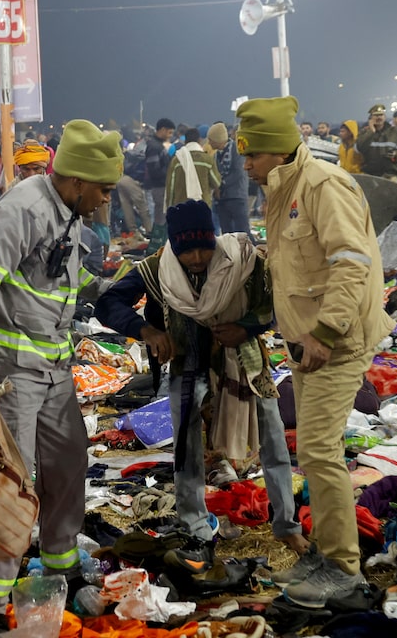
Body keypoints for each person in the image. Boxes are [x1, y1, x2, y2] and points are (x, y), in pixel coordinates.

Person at [0, 120, 121, 636]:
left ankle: (61, 561)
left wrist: (124, 278)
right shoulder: (23, 208)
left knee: (69, 463)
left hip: (55, 370)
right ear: (76, 181)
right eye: (104, 190)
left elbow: (58, 283)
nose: (106, 200)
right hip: (11, 379)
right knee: (11, 487)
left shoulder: (68, 213)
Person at [237, 96, 394, 608]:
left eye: (252, 155)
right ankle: (324, 554)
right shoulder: (284, 189)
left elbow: (353, 264)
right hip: (307, 341)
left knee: (321, 453)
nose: (246, 165)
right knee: (312, 450)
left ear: (278, 152)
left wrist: (326, 333)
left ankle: (343, 571)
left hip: (337, 340)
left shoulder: (324, 186)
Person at [95, 200, 305, 570]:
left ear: (214, 239)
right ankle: (194, 526)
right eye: (186, 249)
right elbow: (108, 303)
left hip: (245, 364)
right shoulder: (159, 268)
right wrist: (147, 331)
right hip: (188, 367)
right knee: (187, 450)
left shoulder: (242, 259)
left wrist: (247, 328)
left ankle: (286, 524)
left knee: (272, 437)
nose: (195, 257)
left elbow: (277, 302)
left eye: (202, 247)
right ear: (173, 246)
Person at [207, 122, 250, 235]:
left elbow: (239, 172)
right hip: (222, 199)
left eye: (210, 139)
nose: (208, 142)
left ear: (217, 140)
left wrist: (220, 185)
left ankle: (249, 252)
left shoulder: (236, 149)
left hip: (237, 197)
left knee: (243, 232)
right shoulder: (217, 154)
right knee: (227, 234)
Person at [165, 127, 220, 208]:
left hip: (181, 207)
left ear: (185, 141)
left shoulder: (177, 160)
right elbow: (216, 182)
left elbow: (171, 186)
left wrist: (169, 207)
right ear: (199, 140)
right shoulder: (207, 160)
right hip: (203, 207)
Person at [144, 118, 176, 250]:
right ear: (162, 130)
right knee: (160, 219)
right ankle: (156, 249)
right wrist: (169, 170)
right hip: (159, 187)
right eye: (169, 133)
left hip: (163, 187)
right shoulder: (154, 146)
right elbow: (154, 170)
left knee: (163, 218)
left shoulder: (159, 145)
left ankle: (161, 248)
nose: (170, 136)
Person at [356, 103, 397, 181]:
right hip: (369, 175)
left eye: (381, 115)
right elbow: (360, 148)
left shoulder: (394, 132)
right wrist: (371, 131)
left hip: (390, 175)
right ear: (371, 118)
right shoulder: (364, 132)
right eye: (376, 115)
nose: (379, 117)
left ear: (385, 117)